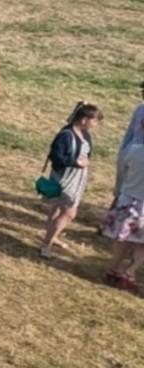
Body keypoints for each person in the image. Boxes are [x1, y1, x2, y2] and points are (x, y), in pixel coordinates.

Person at [41, 103, 102, 259]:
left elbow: (87, 155)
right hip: (65, 179)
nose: (95, 124)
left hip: (77, 179)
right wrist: (75, 162)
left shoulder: (85, 134)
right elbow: (56, 157)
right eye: (94, 120)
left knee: (56, 209)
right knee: (69, 213)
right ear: (83, 120)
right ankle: (46, 244)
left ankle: (51, 237)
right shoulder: (66, 135)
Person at [103, 132, 144, 292]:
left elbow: (123, 172)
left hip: (127, 199)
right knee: (141, 245)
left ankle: (112, 269)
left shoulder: (133, 150)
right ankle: (129, 272)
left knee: (122, 239)